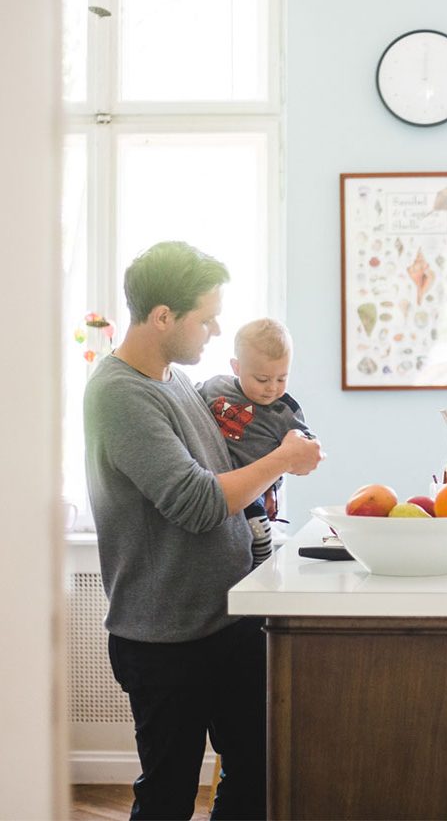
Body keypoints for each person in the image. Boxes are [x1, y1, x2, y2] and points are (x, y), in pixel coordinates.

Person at [84, 241, 324, 820]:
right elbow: (195, 502)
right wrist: (283, 460)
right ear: (163, 316)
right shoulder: (119, 393)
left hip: (225, 621)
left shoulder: (177, 382)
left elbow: (225, 474)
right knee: (167, 796)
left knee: (257, 772)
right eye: (206, 317)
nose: (215, 330)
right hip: (166, 638)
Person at [198, 318, 311, 567]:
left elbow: (303, 444)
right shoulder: (216, 387)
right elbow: (188, 404)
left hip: (255, 486)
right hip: (216, 481)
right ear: (236, 367)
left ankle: (262, 569)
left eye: (281, 379)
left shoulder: (284, 411)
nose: (272, 388)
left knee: (257, 530)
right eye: (262, 379)